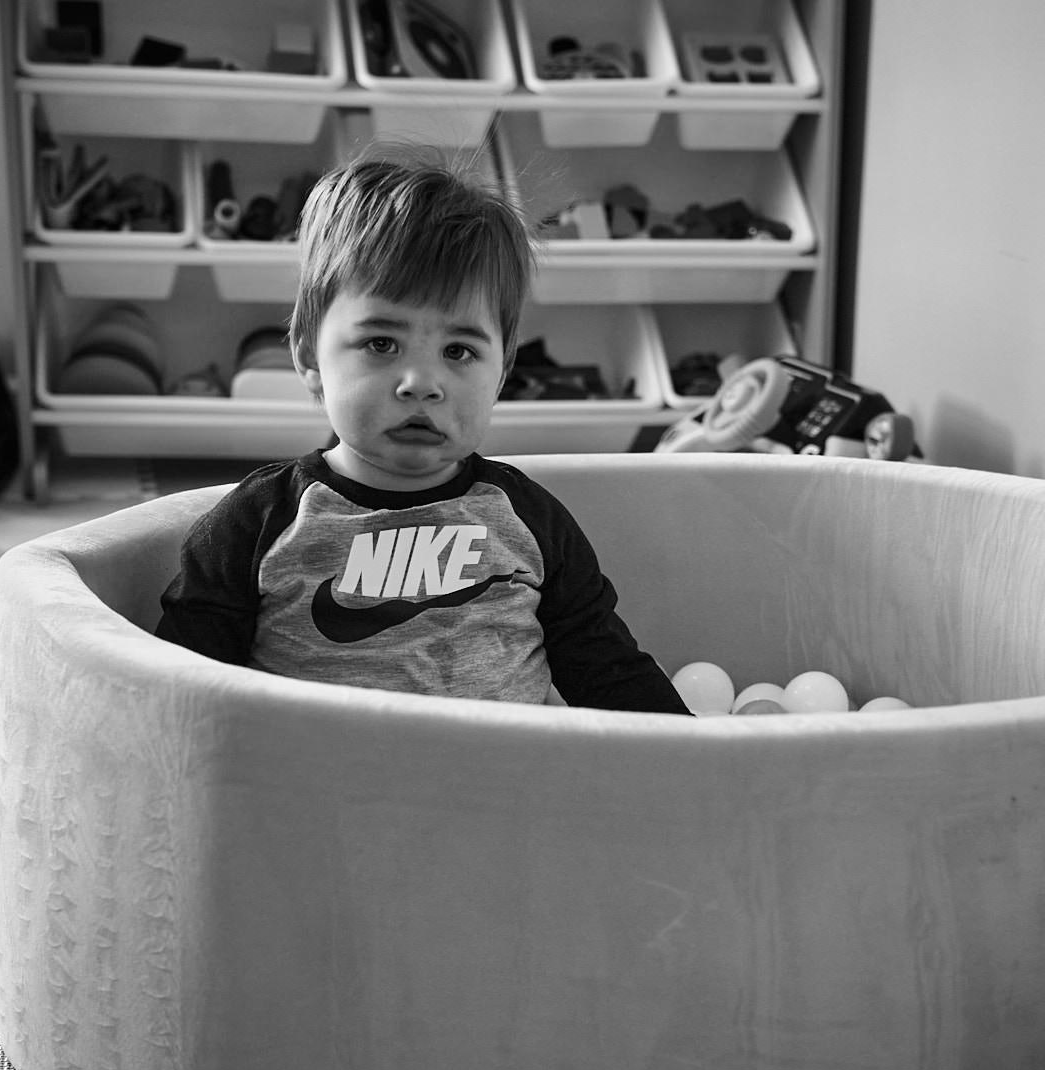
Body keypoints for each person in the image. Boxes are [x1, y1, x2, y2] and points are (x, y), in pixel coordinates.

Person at [155, 146, 689, 714]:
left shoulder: (529, 522)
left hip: (503, 794)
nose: (421, 383)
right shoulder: (260, 522)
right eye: (381, 344)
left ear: (502, 372)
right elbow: (180, 689)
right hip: (316, 795)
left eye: (459, 350)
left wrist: (704, 762)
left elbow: (607, 671)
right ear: (310, 355)